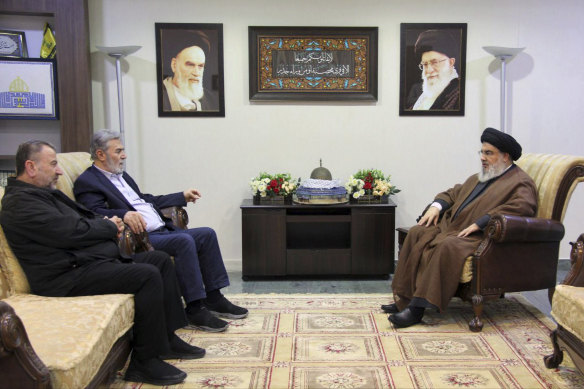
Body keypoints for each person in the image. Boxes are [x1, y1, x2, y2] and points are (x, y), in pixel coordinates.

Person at [0, 140, 205, 386]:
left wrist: (110, 222)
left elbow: (83, 217)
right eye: (53, 164)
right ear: (31, 167)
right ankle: (144, 362)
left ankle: (167, 339)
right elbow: (71, 232)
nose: (59, 171)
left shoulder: (42, 193)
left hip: (82, 263)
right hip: (64, 277)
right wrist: (109, 226)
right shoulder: (20, 203)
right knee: (147, 275)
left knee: (159, 259)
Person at [73, 129, 247, 333]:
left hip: (162, 230)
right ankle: (194, 308)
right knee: (183, 241)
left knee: (206, 234)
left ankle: (214, 297)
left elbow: (146, 200)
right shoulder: (88, 182)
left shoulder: (122, 177)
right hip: (140, 238)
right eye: (118, 151)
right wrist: (124, 214)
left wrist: (181, 196)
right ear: (101, 154)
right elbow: (93, 212)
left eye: (123, 150)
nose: (124, 155)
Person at [383, 128, 537, 328]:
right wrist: (436, 207)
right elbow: (453, 193)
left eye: (488, 153)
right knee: (417, 232)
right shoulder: (480, 176)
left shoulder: (520, 182)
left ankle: (416, 310)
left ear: (506, 156)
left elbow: (522, 207)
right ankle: (403, 298)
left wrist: (480, 222)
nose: (482, 157)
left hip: (481, 237)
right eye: (481, 152)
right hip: (452, 226)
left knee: (448, 245)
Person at [161, 29, 219, 112]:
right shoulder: (160, 96)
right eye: (190, 65)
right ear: (174, 65)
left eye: (200, 66)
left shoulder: (211, 100)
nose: (196, 73)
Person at [407, 29, 461, 111]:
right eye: (425, 64)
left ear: (451, 62)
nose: (429, 70)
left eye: (435, 62)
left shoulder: (458, 94)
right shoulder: (424, 97)